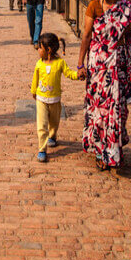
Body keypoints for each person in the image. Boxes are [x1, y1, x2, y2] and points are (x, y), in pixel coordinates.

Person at [77, 0, 131, 171]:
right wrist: (80, 63)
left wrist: (129, 62)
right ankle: (100, 151)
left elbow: (130, 37)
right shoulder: (94, 6)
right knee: (99, 110)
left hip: (118, 66)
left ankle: (114, 150)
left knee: (119, 110)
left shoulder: (126, 8)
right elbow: (86, 35)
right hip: (98, 67)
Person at [31, 33, 80, 163]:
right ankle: (42, 149)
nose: (38, 50)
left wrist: (78, 75)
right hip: (41, 99)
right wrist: (33, 91)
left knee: (54, 121)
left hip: (55, 100)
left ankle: (52, 136)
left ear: (48, 50)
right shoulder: (39, 64)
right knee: (41, 125)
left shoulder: (60, 63)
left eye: (40, 48)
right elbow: (35, 79)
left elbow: (69, 73)